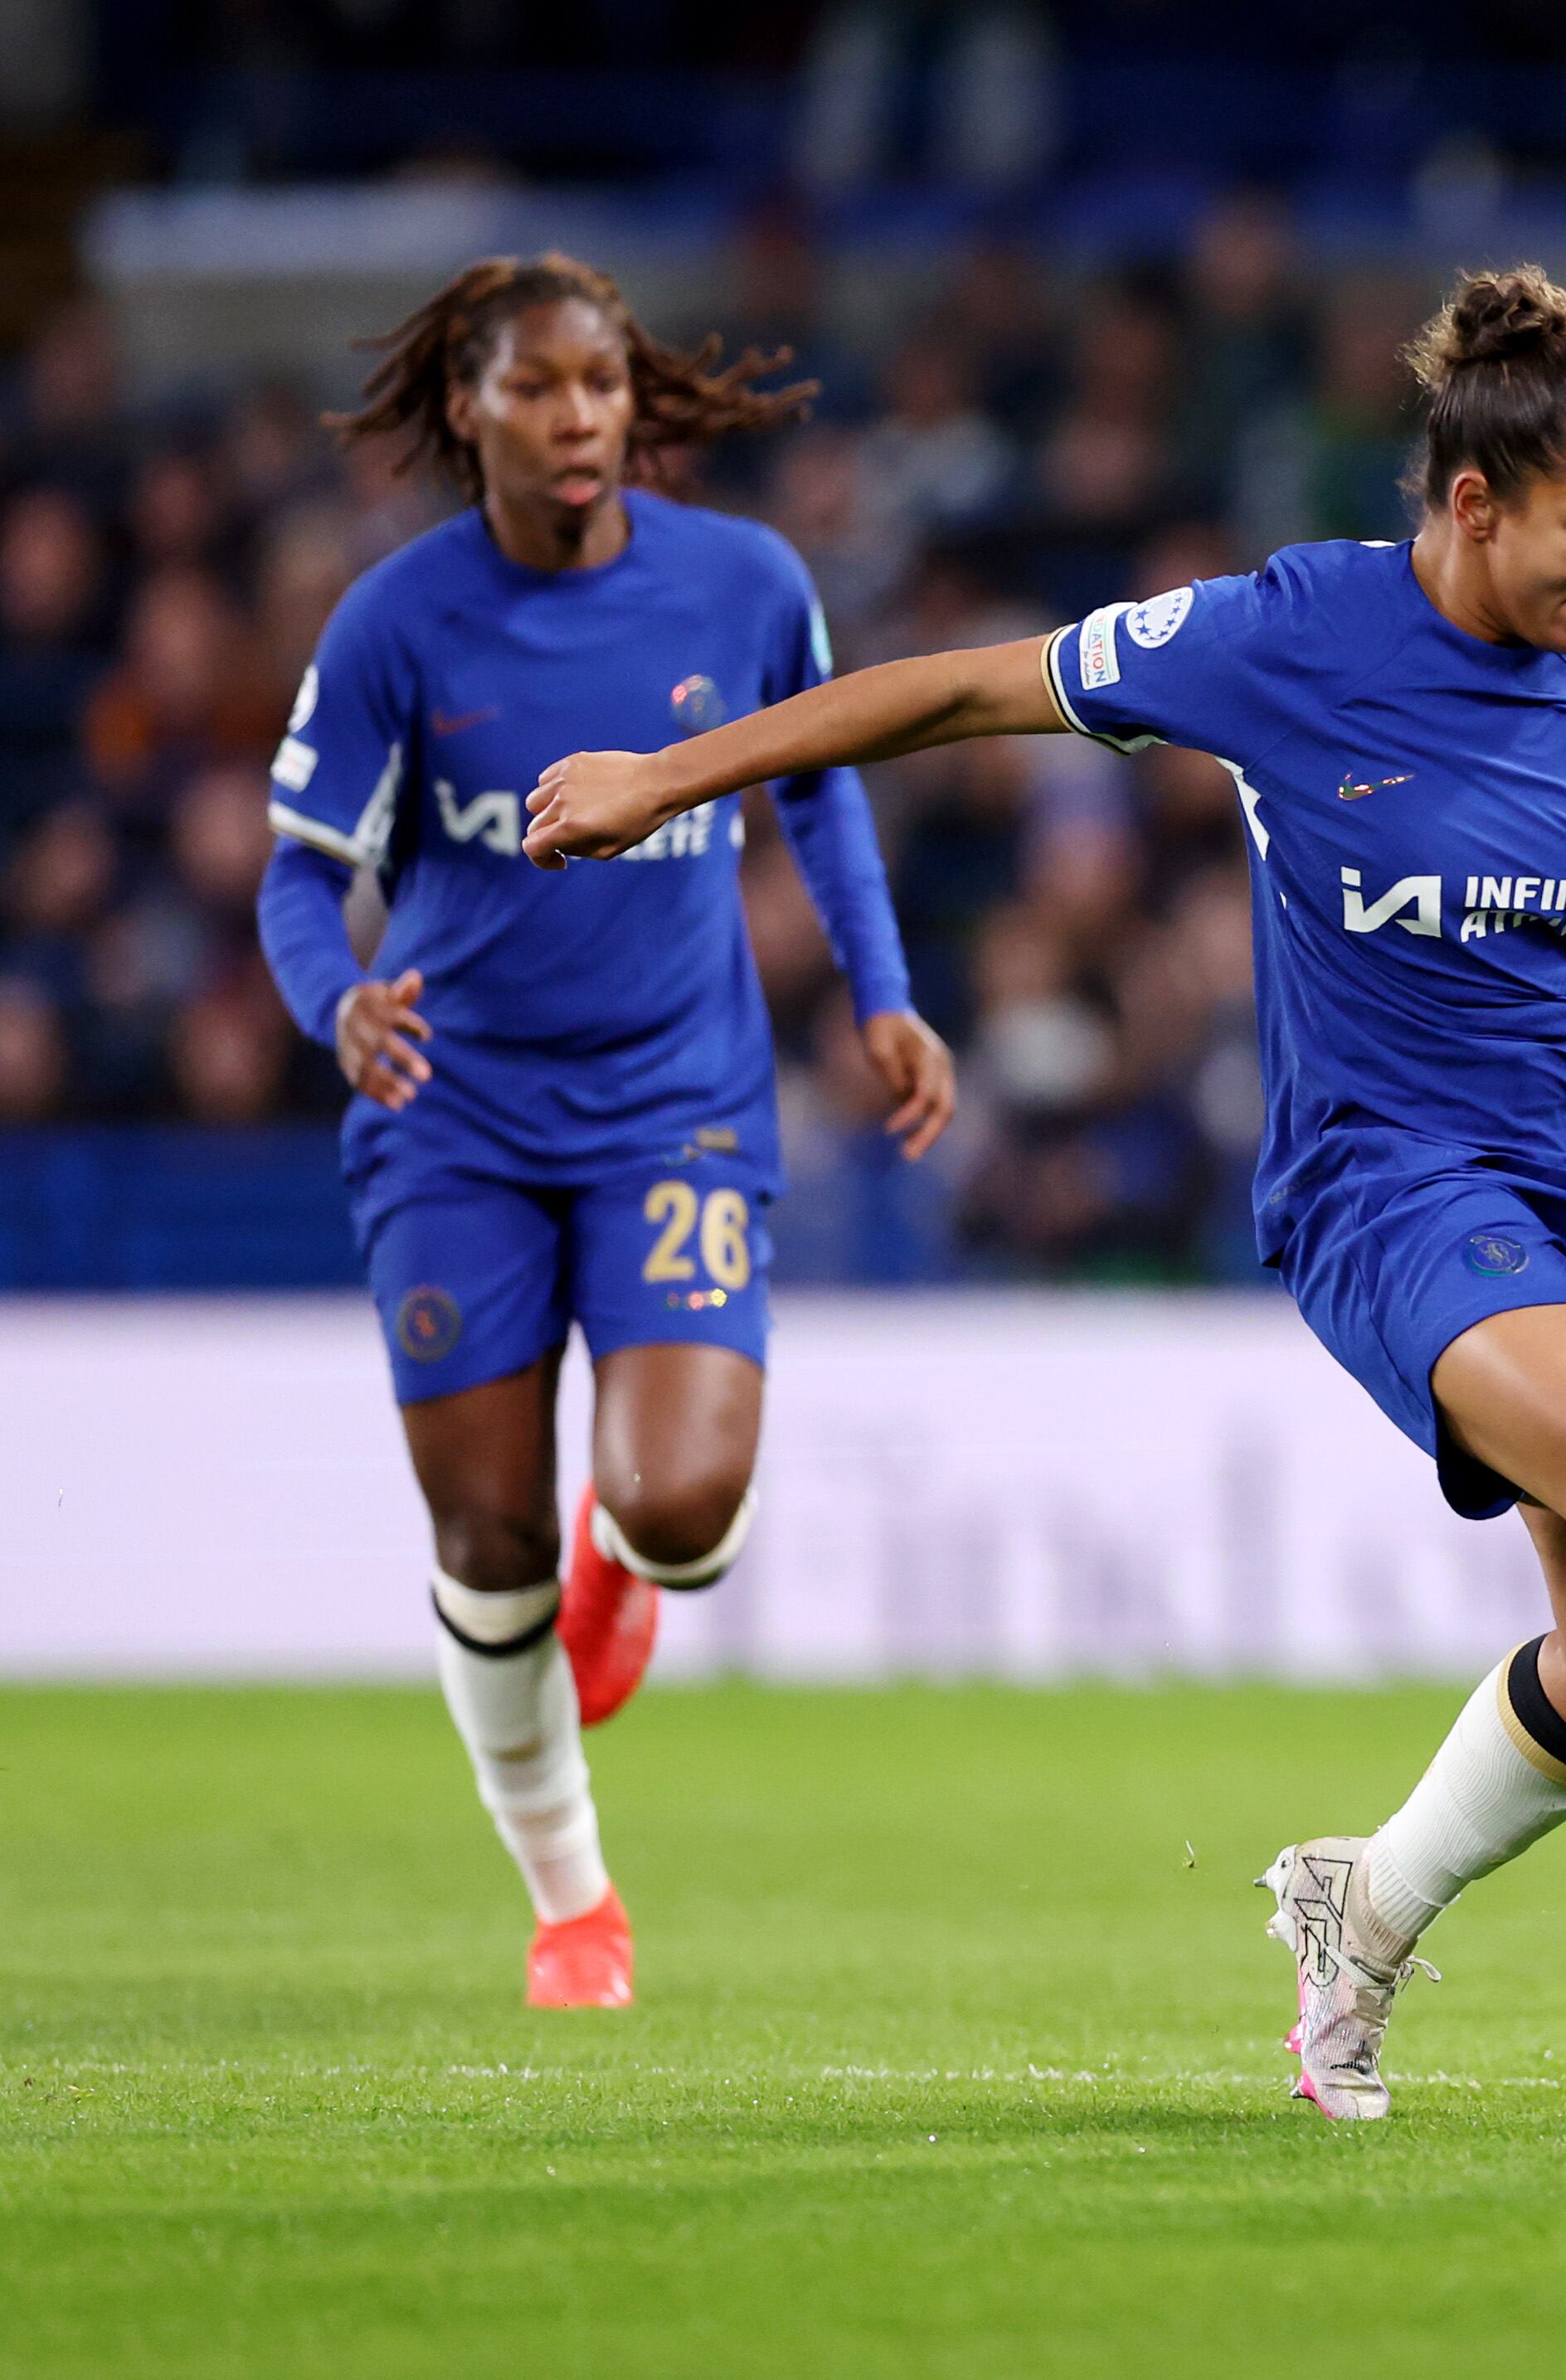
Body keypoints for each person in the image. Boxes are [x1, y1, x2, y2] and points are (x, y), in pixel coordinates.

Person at [522, 265, 1566, 2116]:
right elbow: (960, 693)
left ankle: (1362, 1915)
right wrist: (666, 776)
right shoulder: (1285, 631)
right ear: (1470, 504)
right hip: (1383, 1178)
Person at [255, 255, 953, 2009]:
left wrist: (880, 990)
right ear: (466, 411)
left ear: (636, 404)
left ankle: (625, 1558)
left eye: (602, 387)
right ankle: (575, 1900)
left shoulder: (742, 584)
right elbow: (296, 871)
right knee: (481, 1544)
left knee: (687, 1504)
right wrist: (332, 1001)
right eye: (539, 389)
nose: (578, 420)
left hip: (673, 1104)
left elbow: (821, 785)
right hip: (453, 1119)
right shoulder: (395, 624)